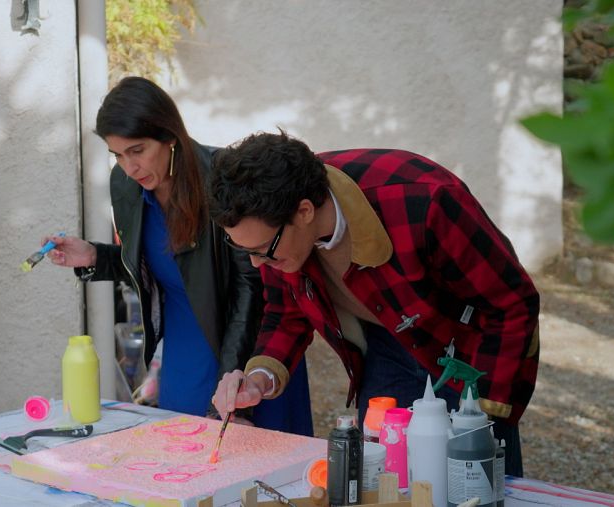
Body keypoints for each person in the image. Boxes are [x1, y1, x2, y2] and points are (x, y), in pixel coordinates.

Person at [208, 131, 539, 475]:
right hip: (386, 345)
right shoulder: (275, 226)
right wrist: (259, 378)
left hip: (470, 349)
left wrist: (482, 409)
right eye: (245, 251)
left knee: (475, 477)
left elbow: (512, 302)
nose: (257, 263)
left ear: (304, 211)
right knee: (382, 474)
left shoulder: (427, 200)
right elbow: (285, 313)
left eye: (262, 250)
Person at [44, 79, 313, 436]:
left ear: (169, 135)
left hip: (249, 345)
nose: (129, 167)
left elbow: (251, 290)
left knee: (260, 457)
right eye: (118, 155)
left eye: (137, 150)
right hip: (184, 351)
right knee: (182, 451)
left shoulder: (222, 175)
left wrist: (235, 387)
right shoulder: (125, 184)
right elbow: (157, 265)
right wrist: (95, 255)